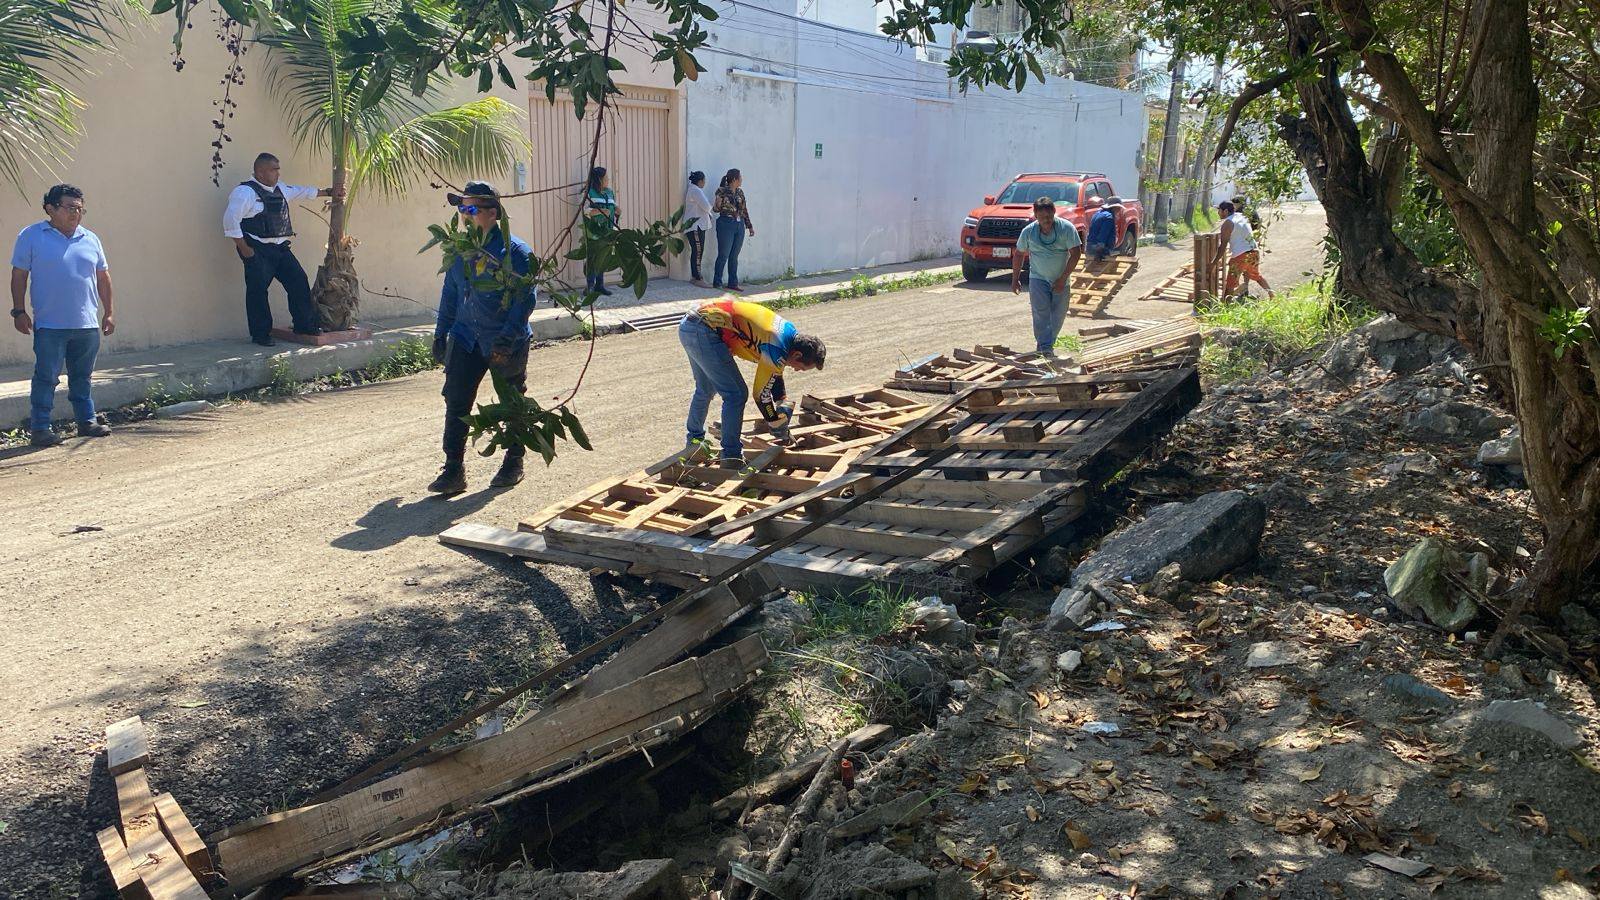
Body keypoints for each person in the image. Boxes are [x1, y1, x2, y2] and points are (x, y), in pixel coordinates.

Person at [428, 182, 538, 494]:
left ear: (492, 213)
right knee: (456, 401)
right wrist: (440, 333)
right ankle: (453, 470)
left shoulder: (516, 253)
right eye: (461, 208)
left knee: (512, 402)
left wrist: (507, 338)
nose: (463, 214)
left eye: (471, 209)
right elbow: (450, 293)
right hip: (465, 338)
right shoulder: (460, 250)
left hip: (504, 340)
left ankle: (514, 461)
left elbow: (525, 299)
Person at [10, 184, 115, 447]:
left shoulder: (90, 238)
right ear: (50, 209)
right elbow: (19, 275)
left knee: (82, 376)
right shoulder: (31, 236)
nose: (76, 213)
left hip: (86, 324)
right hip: (50, 325)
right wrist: (19, 310)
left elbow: (103, 277)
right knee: (47, 377)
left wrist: (109, 312)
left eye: (80, 209)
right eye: (70, 208)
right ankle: (40, 428)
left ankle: (86, 421)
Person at [679, 299, 825, 468]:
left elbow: (774, 373)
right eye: (801, 367)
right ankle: (731, 457)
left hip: (692, 323)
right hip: (704, 330)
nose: (797, 370)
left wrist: (781, 402)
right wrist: (775, 422)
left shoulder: (789, 335)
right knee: (736, 394)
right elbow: (761, 395)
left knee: (705, 389)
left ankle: (695, 441)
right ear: (798, 355)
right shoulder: (777, 346)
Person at [221, 152, 343, 346]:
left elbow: (303, 191)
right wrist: (246, 250)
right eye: (273, 169)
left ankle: (304, 326)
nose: (278, 173)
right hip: (257, 249)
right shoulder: (244, 193)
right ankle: (261, 335)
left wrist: (329, 192)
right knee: (258, 291)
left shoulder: (281, 188)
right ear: (260, 172)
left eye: (278, 169)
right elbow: (230, 221)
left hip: (280, 249)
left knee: (299, 282)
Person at [1011, 196, 1083, 355]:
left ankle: (1046, 344)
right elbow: (1018, 254)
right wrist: (1015, 279)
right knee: (1040, 313)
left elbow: (1076, 253)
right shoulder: (1028, 232)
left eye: (1050, 216)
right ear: (1035, 215)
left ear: (1054, 213)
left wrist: (1062, 278)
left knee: (1058, 315)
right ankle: (1045, 348)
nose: (1047, 220)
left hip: (1061, 280)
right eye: (1043, 217)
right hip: (1038, 278)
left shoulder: (1066, 228)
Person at [1217, 200, 1274, 300]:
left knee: (1230, 283)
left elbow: (1223, 246)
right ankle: (1272, 295)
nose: (1218, 213)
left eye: (1219, 210)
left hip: (1240, 255)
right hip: (1253, 251)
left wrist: (1214, 262)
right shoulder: (1241, 216)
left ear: (1225, 211)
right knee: (1256, 276)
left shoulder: (1228, 223)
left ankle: (1226, 306)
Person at [712, 169, 754, 292]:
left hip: (739, 225)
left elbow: (744, 210)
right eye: (740, 177)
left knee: (734, 255)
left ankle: (732, 283)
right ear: (734, 179)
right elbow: (716, 209)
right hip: (726, 224)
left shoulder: (740, 192)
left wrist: (749, 226)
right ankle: (717, 281)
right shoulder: (721, 191)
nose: (741, 179)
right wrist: (718, 204)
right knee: (723, 254)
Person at [584, 166, 618, 296]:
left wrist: (617, 210)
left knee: (602, 258)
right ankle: (589, 286)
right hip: (593, 232)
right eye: (605, 178)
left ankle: (600, 285)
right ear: (599, 179)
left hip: (607, 231)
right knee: (592, 259)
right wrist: (600, 211)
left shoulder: (609, 192)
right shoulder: (589, 193)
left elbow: (612, 207)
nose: (608, 180)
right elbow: (585, 211)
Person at [684, 171, 713, 288]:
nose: (705, 183)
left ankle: (697, 276)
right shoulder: (695, 190)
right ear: (700, 181)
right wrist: (712, 206)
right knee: (698, 250)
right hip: (695, 226)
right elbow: (706, 206)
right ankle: (697, 277)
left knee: (698, 250)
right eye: (704, 181)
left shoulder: (694, 190)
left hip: (699, 226)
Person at [1084, 196, 1117, 264]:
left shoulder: (1097, 214)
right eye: (1118, 209)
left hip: (1089, 247)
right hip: (1098, 249)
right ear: (1114, 208)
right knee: (1116, 255)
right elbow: (1103, 235)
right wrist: (1099, 251)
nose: (1119, 211)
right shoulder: (1109, 218)